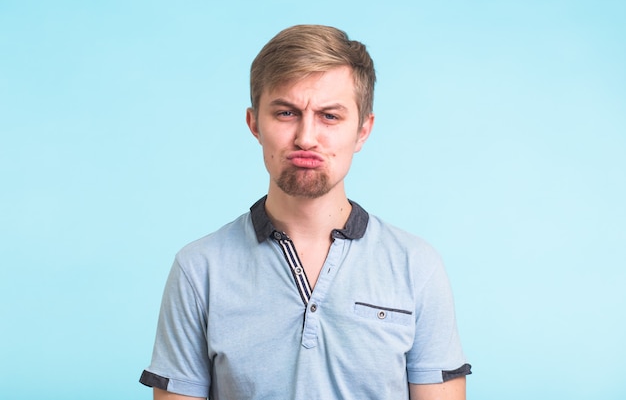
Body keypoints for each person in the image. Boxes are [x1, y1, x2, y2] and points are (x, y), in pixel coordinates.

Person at [139, 24, 471, 400]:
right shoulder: (199, 269)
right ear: (254, 124)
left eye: (330, 116)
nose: (306, 138)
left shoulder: (416, 265)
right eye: (286, 113)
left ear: (363, 131)